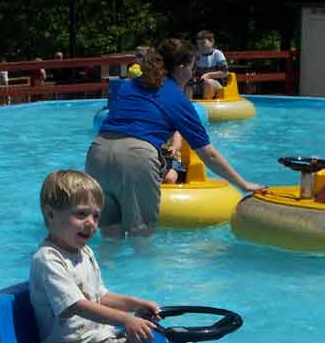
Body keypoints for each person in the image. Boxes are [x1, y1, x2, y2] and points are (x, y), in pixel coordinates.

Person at [85, 38, 264, 241]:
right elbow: (209, 154)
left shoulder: (130, 86)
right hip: (135, 158)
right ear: (181, 67)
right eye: (192, 66)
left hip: (97, 154)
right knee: (141, 239)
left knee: (110, 237)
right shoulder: (177, 99)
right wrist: (244, 184)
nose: (193, 71)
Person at [29, 169, 168, 343]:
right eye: (81, 214)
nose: (91, 223)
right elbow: (76, 305)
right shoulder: (48, 259)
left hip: (103, 339)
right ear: (51, 215)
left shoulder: (85, 253)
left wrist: (136, 304)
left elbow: (101, 297)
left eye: (95, 216)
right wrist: (126, 319)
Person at [192, 30, 229, 99]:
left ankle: (207, 104)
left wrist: (208, 75)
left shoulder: (217, 54)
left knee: (208, 82)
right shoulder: (196, 55)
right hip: (199, 82)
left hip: (216, 83)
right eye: (198, 44)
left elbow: (225, 72)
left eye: (203, 43)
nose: (200, 46)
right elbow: (192, 70)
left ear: (212, 42)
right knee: (188, 83)